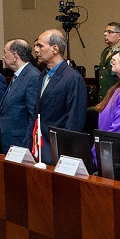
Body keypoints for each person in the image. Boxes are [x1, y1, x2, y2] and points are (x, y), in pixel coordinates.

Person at [34, 29, 87, 164]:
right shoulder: (43, 75)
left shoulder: (72, 78)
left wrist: (63, 155)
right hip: (39, 149)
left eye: (40, 46)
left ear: (55, 49)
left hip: (58, 152)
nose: (36, 49)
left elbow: (74, 121)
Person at [0, 38, 42, 151]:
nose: (3, 56)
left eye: (5, 52)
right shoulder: (18, 75)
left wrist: (26, 145)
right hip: (9, 140)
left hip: (20, 143)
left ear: (15, 55)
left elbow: (33, 114)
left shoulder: (32, 76)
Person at [97, 22, 120, 98]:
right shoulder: (106, 51)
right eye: (105, 32)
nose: (105, 34)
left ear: (119, 35)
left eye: (110, 32)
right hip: (104, 95)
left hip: (116, 95)